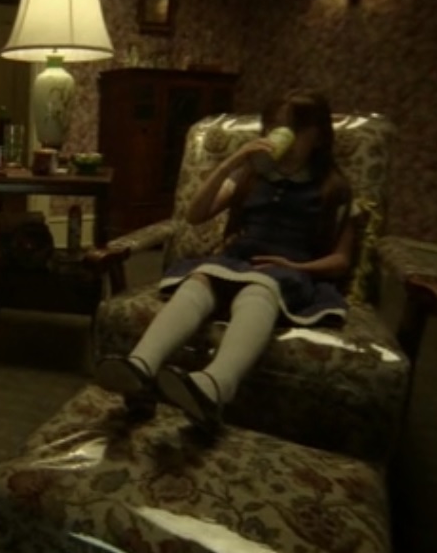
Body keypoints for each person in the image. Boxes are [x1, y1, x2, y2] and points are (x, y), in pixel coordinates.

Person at [93, 90, 357, 431]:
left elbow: (341, 260)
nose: (285, 136)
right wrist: (233, 162)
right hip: (236, 260)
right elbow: (195, 214)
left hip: (288, 271)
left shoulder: (333, 189)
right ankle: (141, 367)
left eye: (296, 128)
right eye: (275, 127)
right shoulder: (252, 178)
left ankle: (215, 385)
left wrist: (296, 268)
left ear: (318, 137)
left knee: (258, 289)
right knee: (200, 279)